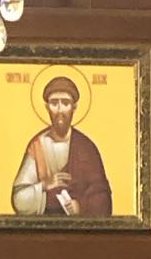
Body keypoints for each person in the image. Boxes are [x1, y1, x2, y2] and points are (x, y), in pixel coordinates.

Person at [10, 76, 113, 219]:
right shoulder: (37, 145)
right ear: (47, 107)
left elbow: (104, 200)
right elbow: (19, 200)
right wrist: (44, 185)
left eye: (65, 103)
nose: (59, 110)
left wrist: (81, 207)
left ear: (74, 107)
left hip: (81, 229)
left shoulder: (86, 148)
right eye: (54, 103)